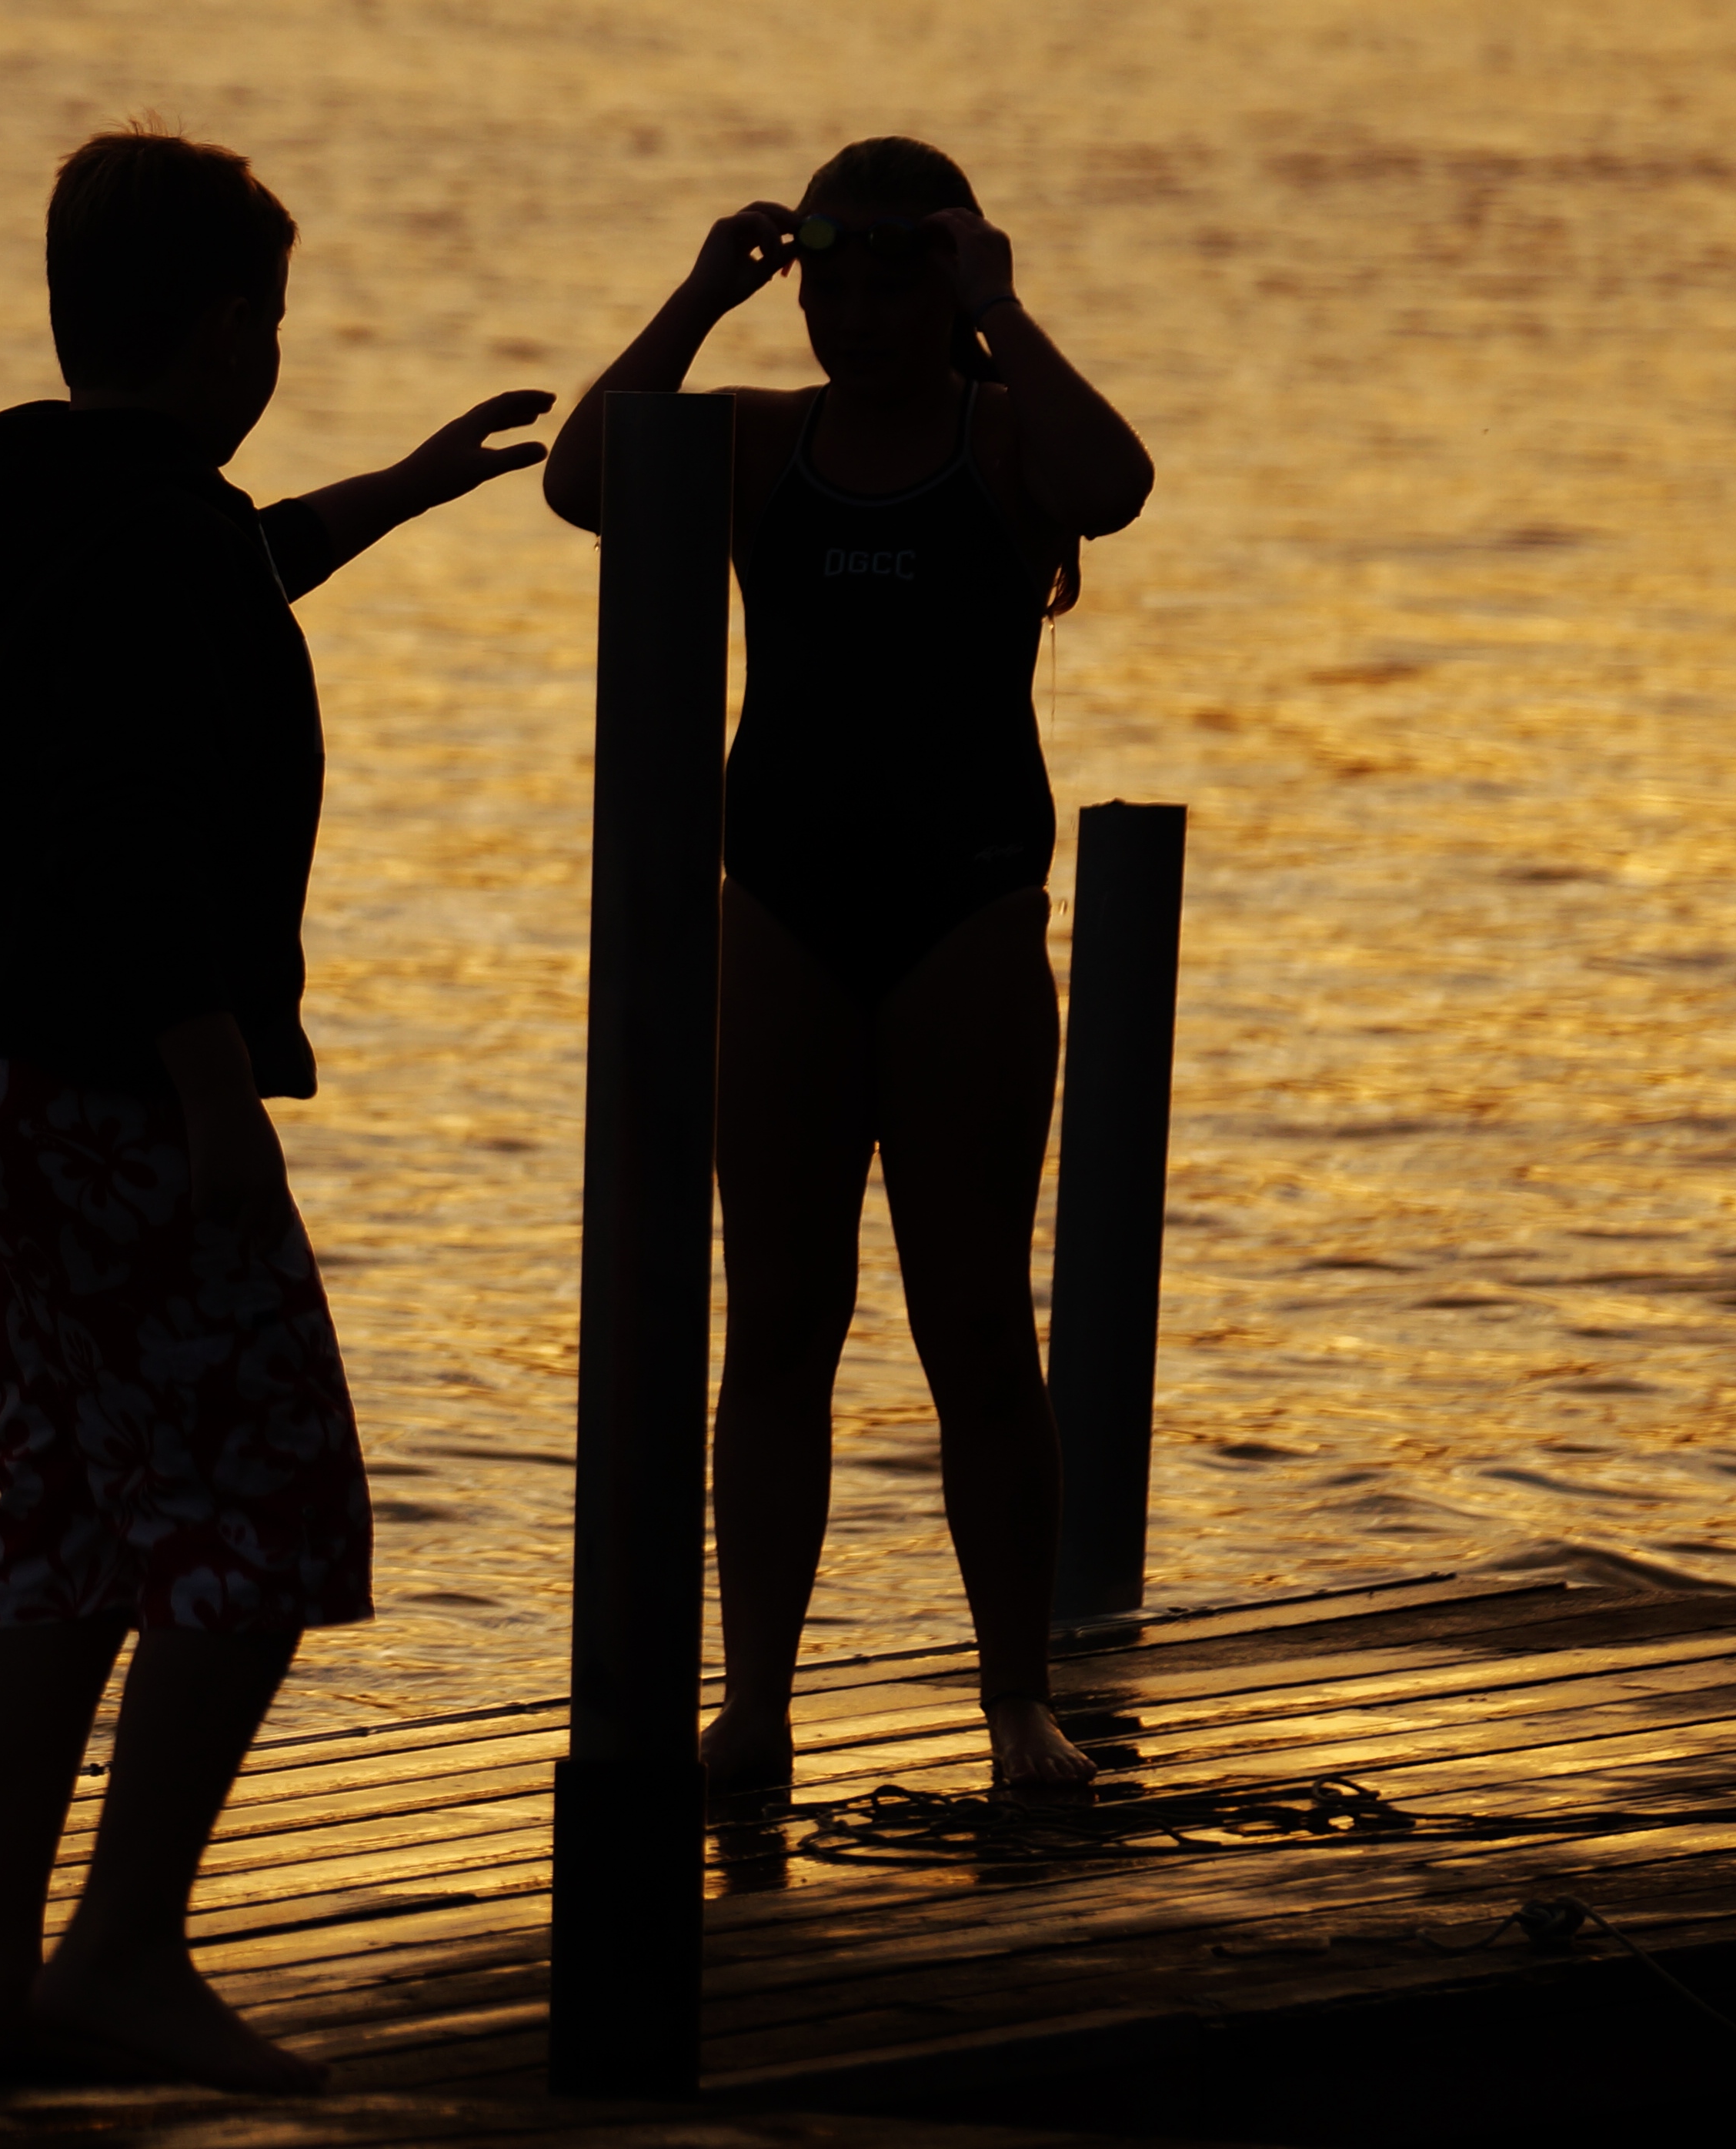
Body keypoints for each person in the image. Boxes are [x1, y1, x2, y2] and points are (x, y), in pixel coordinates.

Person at [0, 129, 553, 2094]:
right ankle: (121, 1950)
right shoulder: (162, 538)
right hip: (122, 1077)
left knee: (65, 1505)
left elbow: (226, 568)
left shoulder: (42, 503)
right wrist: (211, 1085)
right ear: (208, 331)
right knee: (266, 1504)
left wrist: (401, 490)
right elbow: (138, 819)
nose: (276, 348)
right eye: (268, 315)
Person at [542, 138, 1157, 1793]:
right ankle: (755, 1703)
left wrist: (1001, 304)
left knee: (976, 1326)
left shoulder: (1003, 439)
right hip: (784, 915)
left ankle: (1017, 1704)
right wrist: (699, 293)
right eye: (833, 282)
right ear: (800, 286)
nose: (859, 315)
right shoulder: (761, 441)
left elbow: (1114, 485)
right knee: (779, 1326)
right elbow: (587, 480)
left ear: (945, 286)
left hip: (965, 912)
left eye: (898, 282)